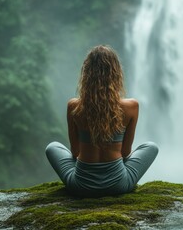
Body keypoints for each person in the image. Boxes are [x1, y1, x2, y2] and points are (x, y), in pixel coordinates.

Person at [46, 45, 158, 197]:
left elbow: (75, 152)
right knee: (151, 146)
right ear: (116, 73)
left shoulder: (74, 106)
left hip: (80, 186)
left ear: (86, 74)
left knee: (52, 147)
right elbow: (125, 153)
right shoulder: (131, 106)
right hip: (119, 185)